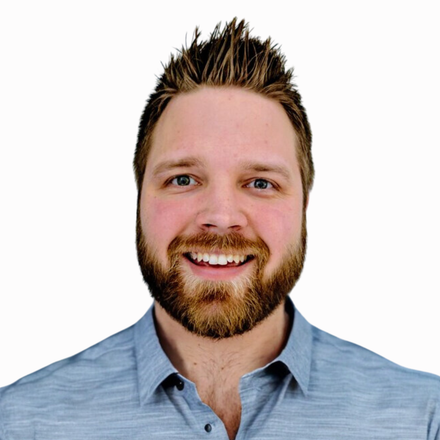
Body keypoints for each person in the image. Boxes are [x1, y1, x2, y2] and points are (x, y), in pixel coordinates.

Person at [0, 18, 439, 440]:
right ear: (138, 196)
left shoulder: (423, 420)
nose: (222, 216)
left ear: (305, 204)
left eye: (261, 183)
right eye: (184, 179)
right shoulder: (18, 424)